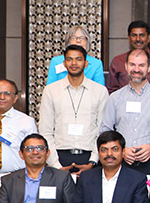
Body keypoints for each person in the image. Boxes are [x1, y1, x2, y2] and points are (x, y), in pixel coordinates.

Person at [38, 44, 109, 174]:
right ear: (64, 63)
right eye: (69, 59)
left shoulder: (100, 91)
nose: (74, 63)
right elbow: (45, 130)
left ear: (86, 63)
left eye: (78, 59)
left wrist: (93, 162)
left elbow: (102, 130)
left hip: (89, 156)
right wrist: (55, 164)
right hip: (60, 156)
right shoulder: (51, 91)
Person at [99, 49, 150, 176]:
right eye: (132, 65)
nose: (136, 69)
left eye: (141, 65)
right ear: (126, 67)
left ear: (149, 68)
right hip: (122, 163)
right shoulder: (115, 98)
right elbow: (105, 130)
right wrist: (120, 149)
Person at [106, 20, 150, 99]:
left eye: (142, 35)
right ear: (129, 38)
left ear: (149, 38)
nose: (138, 39)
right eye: (134, 35)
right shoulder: (117, 61)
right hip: (125, 105)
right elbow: (111, 91)